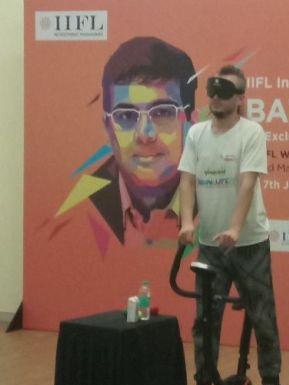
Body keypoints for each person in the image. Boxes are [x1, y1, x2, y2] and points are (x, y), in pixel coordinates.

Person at [177, 65, 285, 385]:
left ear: (240, 99)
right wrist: (187, 222)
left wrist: (236, 229)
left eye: (224, 93)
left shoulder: (251, 133)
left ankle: (272, 382)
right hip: (210, 246)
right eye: (212, 92)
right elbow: (187, 180)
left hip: (249, 243)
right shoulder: (196, 134)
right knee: (205, 319)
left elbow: (247, 182)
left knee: (261, 311)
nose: (216, 99)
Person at [56, 36, 197, 247]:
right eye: (126, 116)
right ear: (108, 128)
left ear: (192, 123)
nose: (145, 134)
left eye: (162, 112)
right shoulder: (77, 209)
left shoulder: (221, 198)